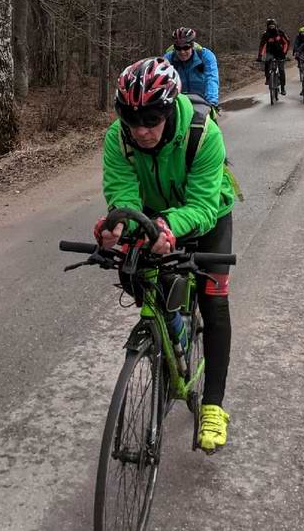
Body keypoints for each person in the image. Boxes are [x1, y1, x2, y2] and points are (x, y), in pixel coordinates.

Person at [95, 57, 236, 453]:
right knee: (137, 274)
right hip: (152, 217)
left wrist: (169, 227)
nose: (140, 132)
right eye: (131, 121)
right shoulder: (117, 137)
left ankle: (212, 404)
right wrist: (118, 223)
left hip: (208, 219)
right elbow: (122, 191)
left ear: (170, 109)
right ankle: (168, 332)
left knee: (214, 300)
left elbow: (204, 205)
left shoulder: (203, 134)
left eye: (151, 121)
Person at [164, 27, 219, 107]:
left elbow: (211, 79)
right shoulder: (168, 59)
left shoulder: (205, 56)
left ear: (192, 45)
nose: (182, 52)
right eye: (178, 48)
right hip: (180, 104)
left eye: (186, 48)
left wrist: (212, 102)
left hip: (203, 102)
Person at [256, 18, 290, 95]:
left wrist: (284, 53)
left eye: (273, 26)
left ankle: (282, 88)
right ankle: (268, 78)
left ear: (275, 26)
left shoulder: (280, 33)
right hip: (270, 52)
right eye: (270, 26)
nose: (271, 27)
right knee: (267, 63)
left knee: (281, 70)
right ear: (267, 26)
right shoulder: (265, 35)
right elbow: (262, 45)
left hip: (280, 53)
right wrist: (260, 56)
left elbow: (286, 43)